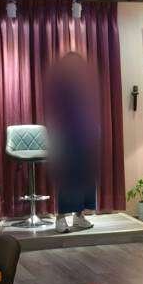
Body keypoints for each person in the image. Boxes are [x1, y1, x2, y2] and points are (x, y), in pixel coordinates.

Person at [45, 51, 101, 233]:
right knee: (69, 179)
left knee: (86, 178)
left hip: (86, 137)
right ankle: (61, 218)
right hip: (67, 138)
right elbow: (55, 114)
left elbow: (90, 110)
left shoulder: (85, 86)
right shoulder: (59, 86)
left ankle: (79, 215)